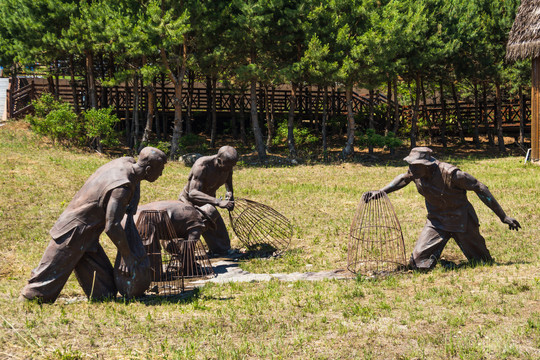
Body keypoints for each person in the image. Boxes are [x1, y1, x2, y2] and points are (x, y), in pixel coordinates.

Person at [20, 147, 167, 303]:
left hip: (88, 235)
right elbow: (113, 226)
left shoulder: (127, 162)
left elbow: (135, 178)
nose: (161, 174)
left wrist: (135, 196)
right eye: (160, 170)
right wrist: (127, 256)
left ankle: (100, 295)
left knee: (106, 291)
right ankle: (26, 306)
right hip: (73, 232)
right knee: (40, 286)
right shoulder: (121, 189)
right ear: (149, 169)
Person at [364, 147, 521, 270]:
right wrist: (381, 192)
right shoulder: (416, 173)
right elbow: (403, 179)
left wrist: (503, 217)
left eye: (416, 166)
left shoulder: (452, 174)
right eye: (410, 166)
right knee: (418, 263)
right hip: (436, 222)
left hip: (462, 221)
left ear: (428, 165)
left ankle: (461, 259)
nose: (412, 170)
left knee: (483, 262)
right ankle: (443, 262)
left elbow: (481, 188)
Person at [179, 145, 238, 255]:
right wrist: (218, 202)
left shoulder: (227, 166)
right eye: (228, 166)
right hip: (189, 203)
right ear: (219, 160)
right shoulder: (202, 166)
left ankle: (218, 251)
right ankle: (184, 254)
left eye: (232, 166)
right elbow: (193, 193)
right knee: (191, 234)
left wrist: (230, 195)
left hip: (208, 203)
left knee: (222, 243)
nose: (230, 169)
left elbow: (228, 185)